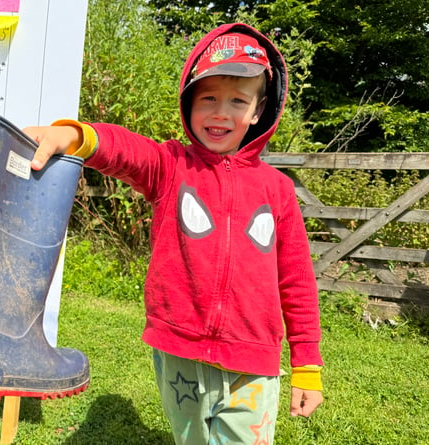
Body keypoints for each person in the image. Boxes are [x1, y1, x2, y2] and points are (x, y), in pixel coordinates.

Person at [24, 22, 323, 445]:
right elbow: (124, 150)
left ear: (258, 112)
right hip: (178, 353)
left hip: (252, 361)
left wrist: (307, 362)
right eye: (209, 99)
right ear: (188, 103)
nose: (221, 112)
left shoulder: (278, 190)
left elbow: (297, 280)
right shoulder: (170, 166)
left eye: (238, 101)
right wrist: (72, 135)